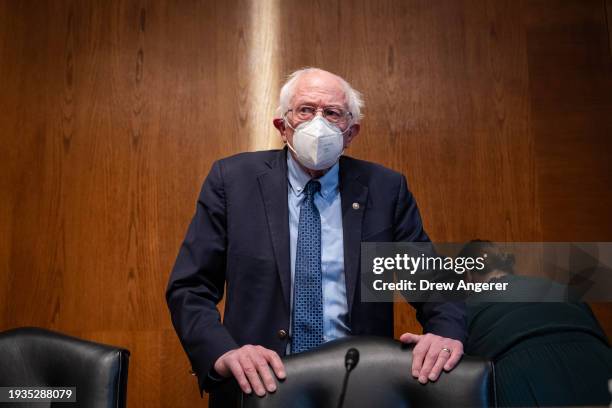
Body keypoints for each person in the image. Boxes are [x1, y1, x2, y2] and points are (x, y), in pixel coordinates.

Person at [166, 67, 466, 398]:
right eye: (306, 110)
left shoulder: (385, 189)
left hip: (359, 386)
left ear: (351, 132)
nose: (317, 123)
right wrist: (223, 353)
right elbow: (190, 287)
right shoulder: (232, 181)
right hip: (257, 385)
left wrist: (444, 333)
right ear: (283, 125)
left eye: (333, 113)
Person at [459, 240, 612, 407]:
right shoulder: (559, 288)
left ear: (467, 275)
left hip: (523, 370)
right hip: (598, 358)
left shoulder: (467, 306)